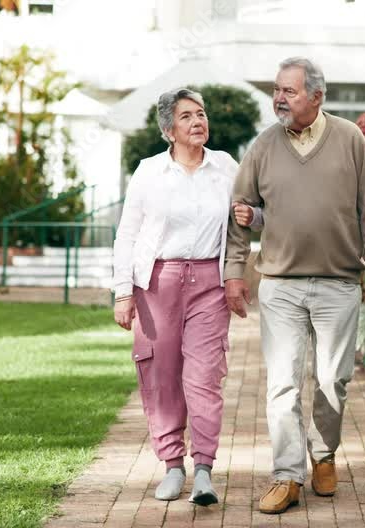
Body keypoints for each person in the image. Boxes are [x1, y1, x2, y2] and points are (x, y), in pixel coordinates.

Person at [223, 57, 365, 515]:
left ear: (316, 97)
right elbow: (240, 212)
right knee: (282, 384)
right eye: (277, 90)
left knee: (332, 382)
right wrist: (233, 275)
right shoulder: (263, 146)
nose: (279, 98)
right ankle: (286, 475)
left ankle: (323, 453)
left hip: (339, 282)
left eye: (290, 91)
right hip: (279, 284)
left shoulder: (350, 139)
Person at [111, 87, 262, 506]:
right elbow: (127, 234)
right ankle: (172, 465)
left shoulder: (226, 167)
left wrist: (241, 257)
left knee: (204, 378)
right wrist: (123, 292)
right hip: (157, 282)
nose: (198, 122)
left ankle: (205, 471)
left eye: (201, 114)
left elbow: (247, 219)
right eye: (187, 117)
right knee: (160, 377)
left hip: (209, 284)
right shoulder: (148, 172)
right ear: (168, 129)